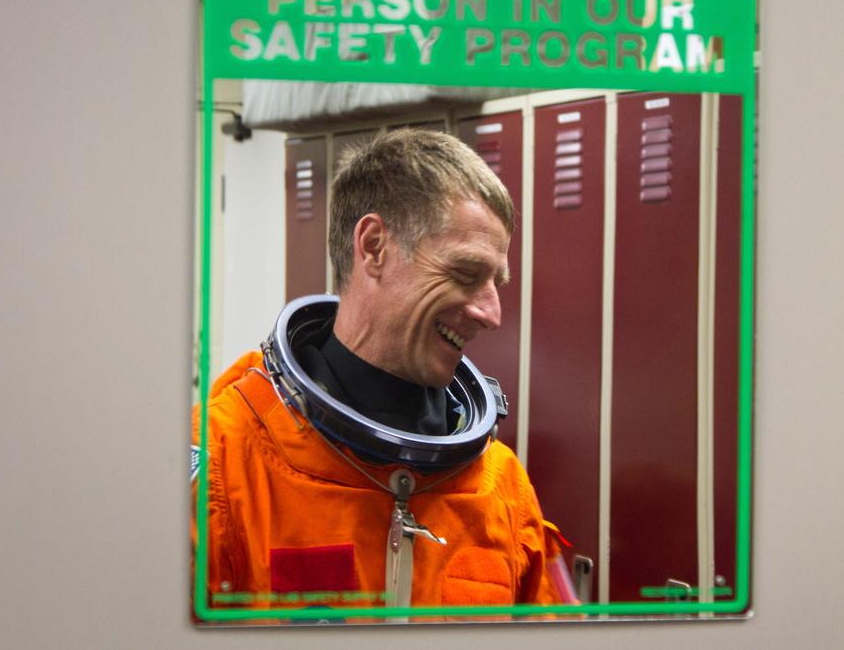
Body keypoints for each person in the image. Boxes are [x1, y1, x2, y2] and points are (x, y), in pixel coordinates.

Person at [192, 128, 571, 614]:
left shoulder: (503, 489)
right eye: (465, 273)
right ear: (373, 246)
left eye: (496, 282)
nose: (491, 313)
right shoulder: (225, 467)